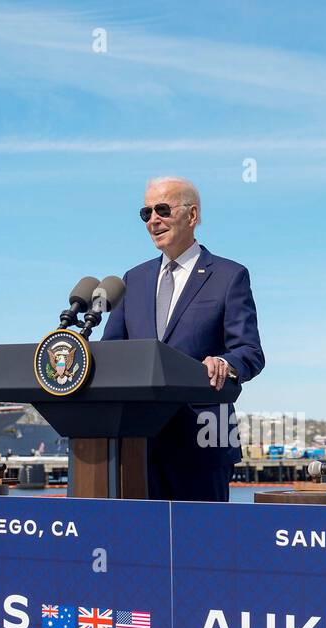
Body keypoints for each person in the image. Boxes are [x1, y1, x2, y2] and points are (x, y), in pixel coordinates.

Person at [101, 177, 265, 501]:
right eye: (145, 213)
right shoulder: (131, 280)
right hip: (138, 444)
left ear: (192, 216)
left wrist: (224, 363)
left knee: (203, 548)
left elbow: (250, 351)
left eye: (162, 209)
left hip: (203, 441)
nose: (153, 220)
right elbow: (110, 352)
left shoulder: (229, 276)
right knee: (143, 547)